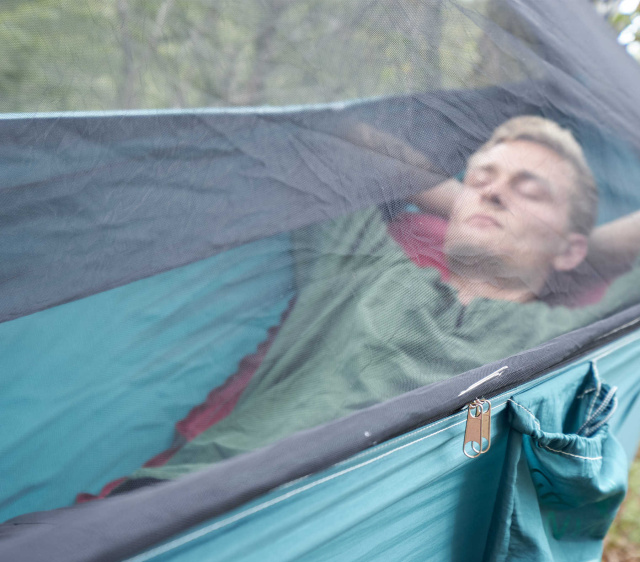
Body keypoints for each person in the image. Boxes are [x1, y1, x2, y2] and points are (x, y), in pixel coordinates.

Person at [123, 116, 640, 483]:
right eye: (481, 177)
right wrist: (468, 203)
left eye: (530, 191)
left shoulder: (559, 342)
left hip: (341, 545)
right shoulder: (363, 264)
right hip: (178, 508)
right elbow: (327, 132)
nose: (492, 190)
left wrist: (571, 247)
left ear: (572, 250)